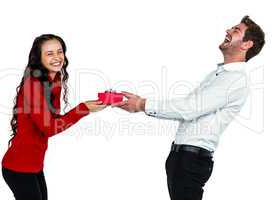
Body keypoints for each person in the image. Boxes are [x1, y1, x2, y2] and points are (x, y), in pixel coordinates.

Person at [113, 16, 265, 200]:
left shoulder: (235, 80)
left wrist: (141, 104)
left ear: (247, 44)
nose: (227, 30)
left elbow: (189, 109)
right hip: (182, 158)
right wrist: (140, 104)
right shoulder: (219, 75)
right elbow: (188, 110)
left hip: (191, 160)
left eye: (235, 30)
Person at [1, 34, 106, 200]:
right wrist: (83, 109)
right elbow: (49, 128)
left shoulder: (54, 79)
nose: (57, 57)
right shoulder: (33, 85)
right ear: (39, 58)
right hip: (18, 167)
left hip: (34, 165)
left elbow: (54, 120)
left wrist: (88, 108)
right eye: (50, 53)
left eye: (60, 52)